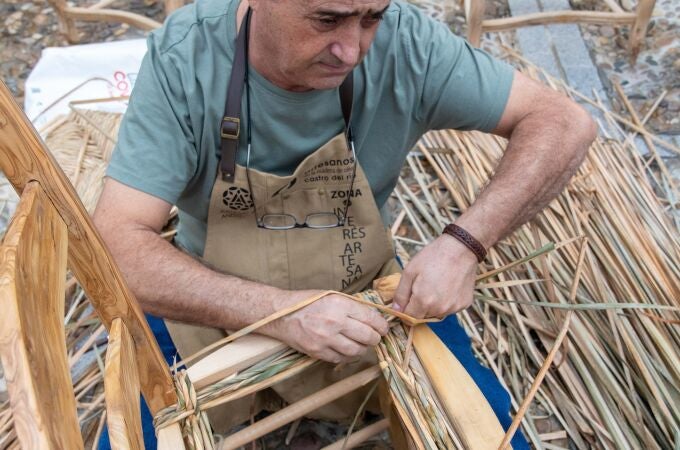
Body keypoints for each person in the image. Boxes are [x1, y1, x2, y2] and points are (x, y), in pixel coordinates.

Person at [93, 0, 596, 447]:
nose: (352, 50)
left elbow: (564, 123)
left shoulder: (407, 43)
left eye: (371, 18)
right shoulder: (186, 57)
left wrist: (464, 244)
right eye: (327, 19)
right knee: (129, 434)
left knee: (492, 433)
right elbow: (115, 247)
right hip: (210, 309)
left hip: (371, 302)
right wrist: (282, 313)